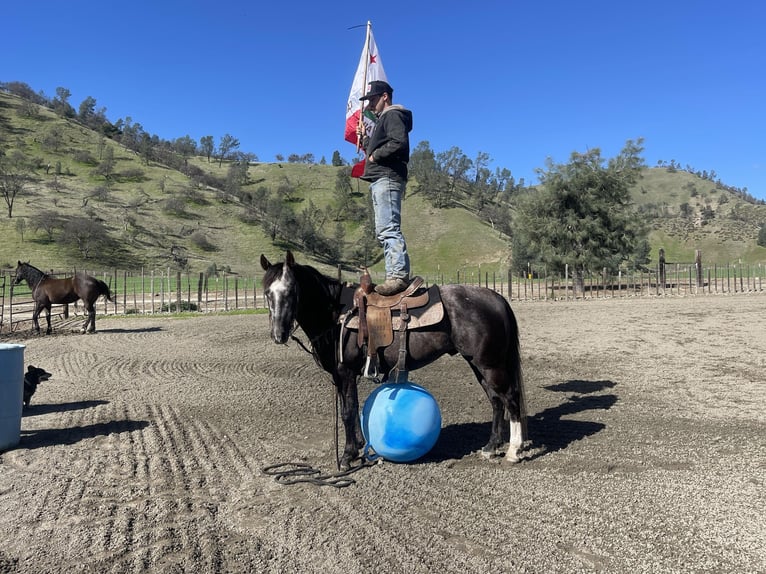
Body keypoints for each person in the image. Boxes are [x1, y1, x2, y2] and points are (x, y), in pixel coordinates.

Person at [357, 80, 413, 296]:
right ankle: (394, 273)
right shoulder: (385, 119)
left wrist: (374, 155)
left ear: (384, 96)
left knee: (388, 228)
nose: (369, 105)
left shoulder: (392, 115)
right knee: (383, 230)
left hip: (387, 177)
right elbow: (385, 143)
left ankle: (398, 275)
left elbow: (398, 142)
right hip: (381, 178)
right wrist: (365, 141)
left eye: (372, 99)